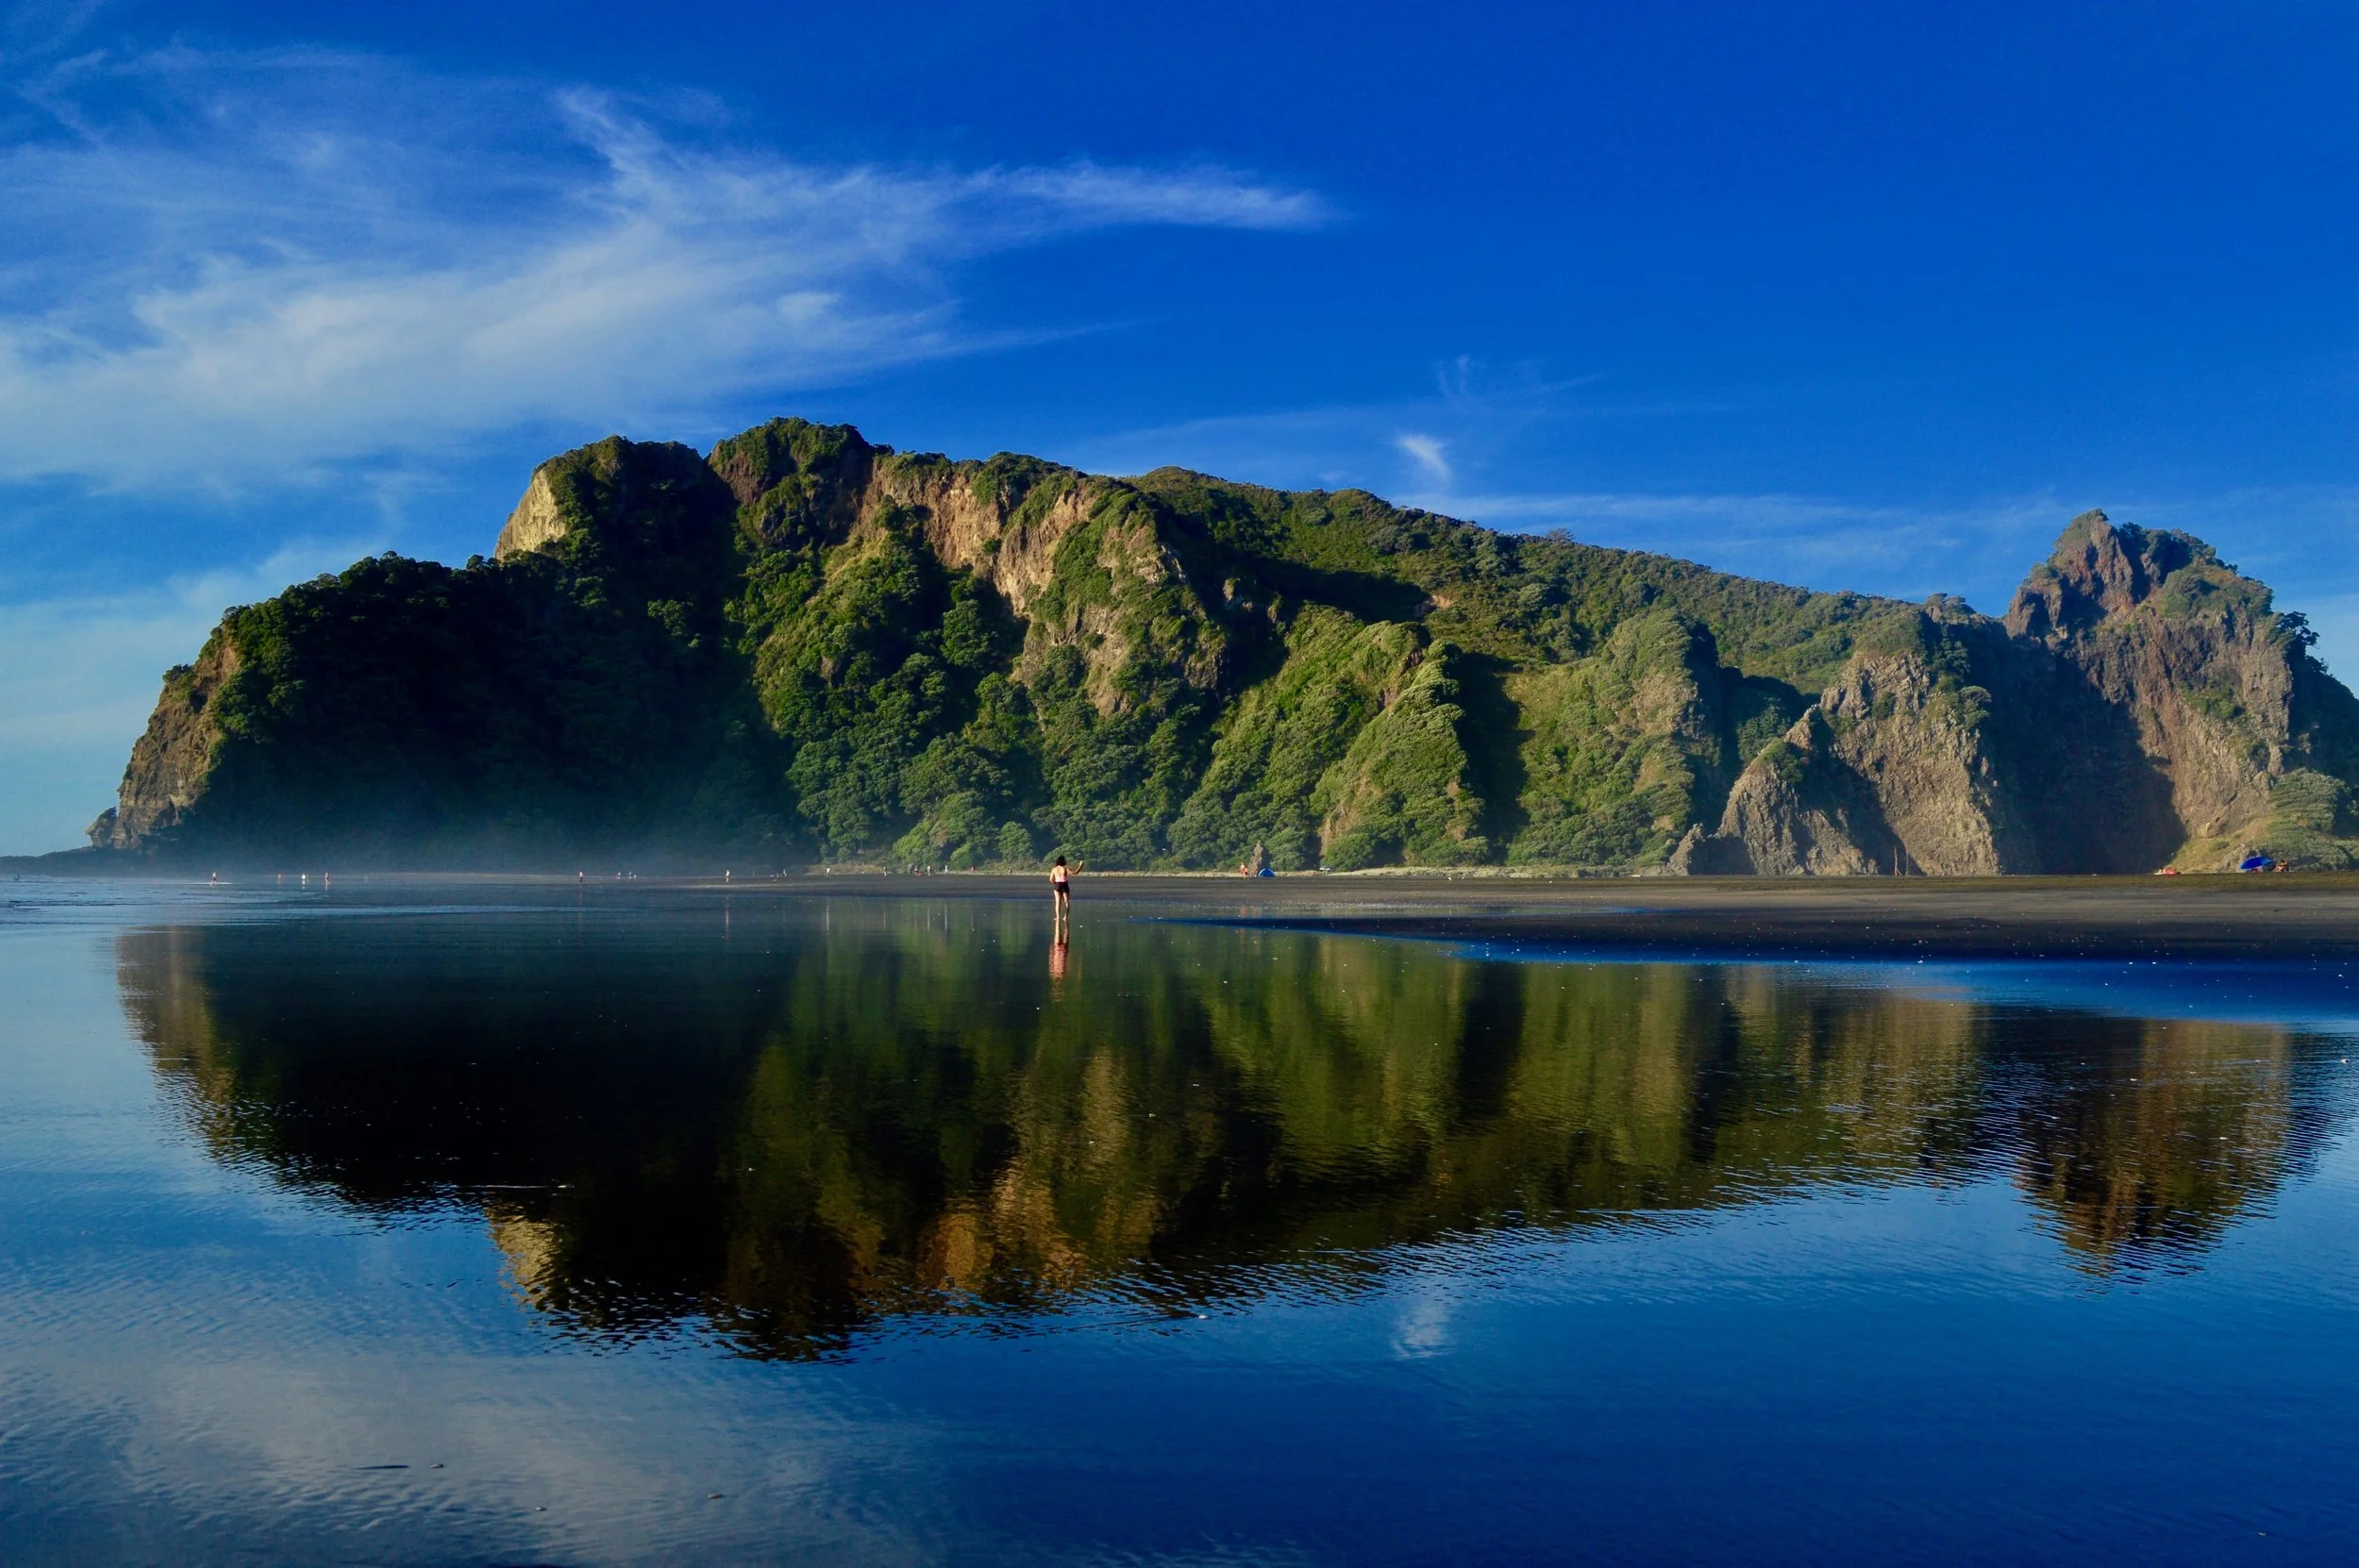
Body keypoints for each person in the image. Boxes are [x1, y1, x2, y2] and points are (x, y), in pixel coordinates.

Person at [1050, 855, 1072, 923]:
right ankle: (1065, 917)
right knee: (1066, 902)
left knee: (1058, 902)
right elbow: (1075, 872)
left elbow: (1051, 879)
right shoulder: (1065, 869)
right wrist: (1081, 866)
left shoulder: (1054, 869)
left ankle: (1058, 917)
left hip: (1057, 885)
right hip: (1064, 884)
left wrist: (1056, 884)